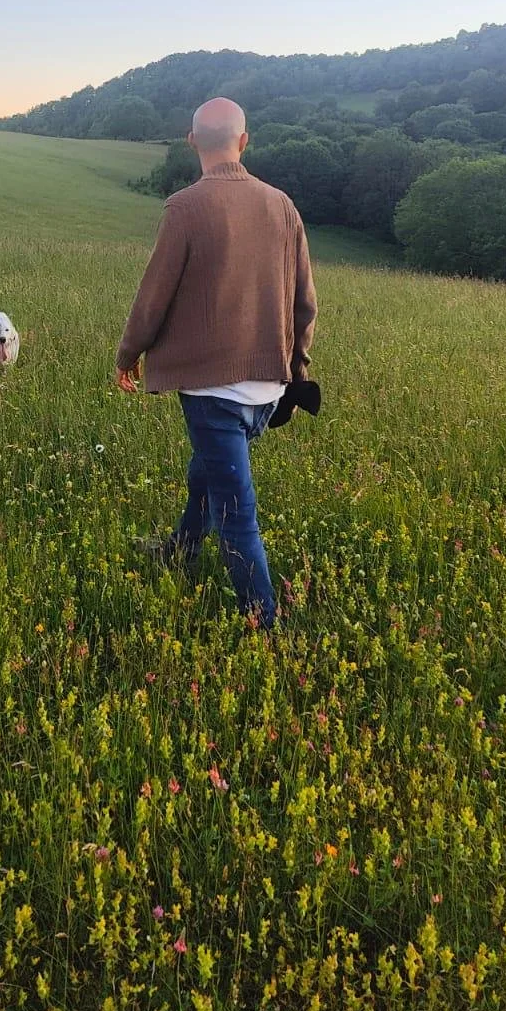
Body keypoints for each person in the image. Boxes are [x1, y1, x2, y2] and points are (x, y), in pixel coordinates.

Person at [114, 98, 317, 627]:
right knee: (206, 471)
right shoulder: (283, 206)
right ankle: (181, 550)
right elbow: (305, 304)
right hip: (269, 390)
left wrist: (127, 355)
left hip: (213, 394)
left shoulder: (185, 207)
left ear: (191, 143)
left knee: (237, 516)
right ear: (244, 142)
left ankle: (266, 627)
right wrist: (297, 367)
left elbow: (152, 297)